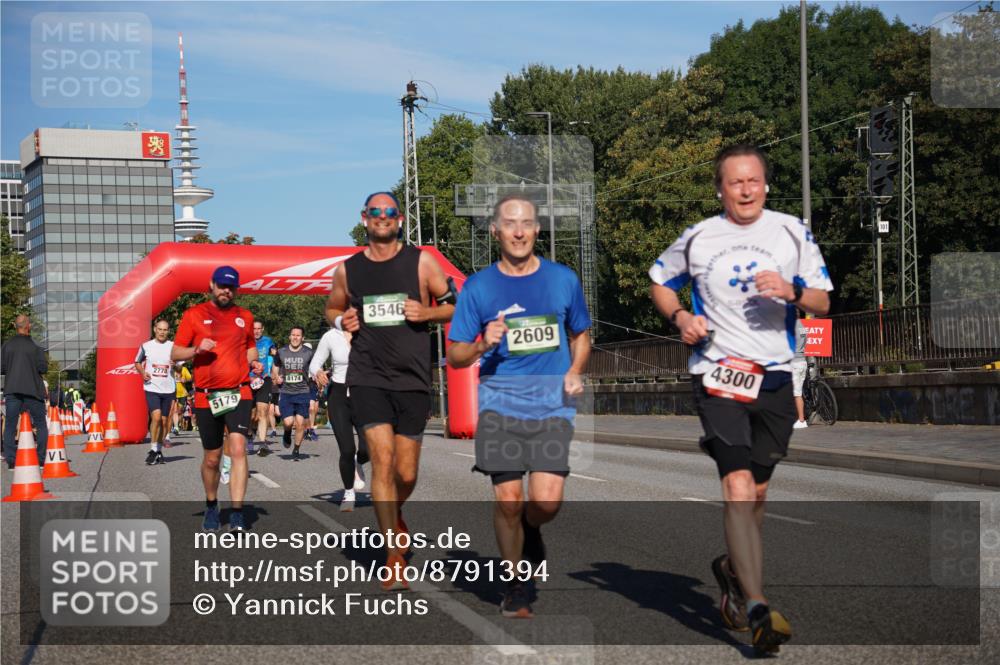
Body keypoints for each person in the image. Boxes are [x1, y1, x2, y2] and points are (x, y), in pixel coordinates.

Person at [649, 144, 833, 654]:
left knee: (757, 495)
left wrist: (792, 291)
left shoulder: (792, 231)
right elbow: (659, 282)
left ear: (765, 185)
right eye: (735, 182)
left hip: (773, 377)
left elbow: (822, 300)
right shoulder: (701, 237)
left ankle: (731, 571)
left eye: (753, 181)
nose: (746, 190)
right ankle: (756, 605)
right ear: (720, 189)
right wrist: (681, 317)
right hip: (718, 374)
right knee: (736, 486)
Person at [447, 194, 592, 618]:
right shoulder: (478, 287)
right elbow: (454, 354)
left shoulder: (563, 280)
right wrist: (480, 344)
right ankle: (514, 585)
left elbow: (581, 333)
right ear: (495, 231)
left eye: (526, 222)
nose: (518, 230)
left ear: (537, 229)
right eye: (509, 223)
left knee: (545, 503)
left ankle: (533, 528)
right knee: (508, 499)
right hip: (499, 406)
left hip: (551, 407)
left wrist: (576, 369)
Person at [325, 191, 455, 590]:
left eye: (390, 212)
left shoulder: (423, 262)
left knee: (406, 471)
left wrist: (428, 312)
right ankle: (393, 558)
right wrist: (341, 319)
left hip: (412, 379)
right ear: (364, 218)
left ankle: (394, 513)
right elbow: (331, 308)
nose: (383, 218)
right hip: (368, 377)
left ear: (400, 220)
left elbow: (454, 305)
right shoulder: (348, 270)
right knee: (381, 461)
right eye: (375, 212)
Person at [172, 265, 262, 532]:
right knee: (212, 458)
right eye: (222, 285)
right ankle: (212, 504)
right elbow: (175, 353)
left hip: (239, 391)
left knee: (237, 449)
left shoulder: (244, 316)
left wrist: (253, 363)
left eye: (231, 286)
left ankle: (236, 513)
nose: (226, 291)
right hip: (206, 396)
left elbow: (250, 349)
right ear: (211, 285)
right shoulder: (194, 315)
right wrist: (196, 349)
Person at [310, 324, 369, 511]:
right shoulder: (331, 336)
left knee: (368, 448)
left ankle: (359, 463)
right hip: (339, 395)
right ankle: (349, 492)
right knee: (347, 449)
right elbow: (314, 363)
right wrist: (317, 372)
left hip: (365, 394)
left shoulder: (370, 332)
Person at [2, 314, 48, 469]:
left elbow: (2, 368)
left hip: (12, 389)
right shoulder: (36, 345)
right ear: (28, 326)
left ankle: (11, 461)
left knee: (10, 425)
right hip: (33, 390)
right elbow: (43, 368)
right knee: (41, 424)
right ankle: (41, 459)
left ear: (16, 326)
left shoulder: (7, 345)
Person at [135, 320, 179, 465]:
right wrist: (142, 372)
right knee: (157, 416)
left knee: (165, 421)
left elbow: (180, 368)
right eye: (159, 329)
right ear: (155, 329)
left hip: (169, 388)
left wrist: (176, 366)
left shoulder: (174, 347)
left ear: (168, 331)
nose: (162, 332)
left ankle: (158, 450)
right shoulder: (146, 346)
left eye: (165, 330)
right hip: (151, 387)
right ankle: (154, 449)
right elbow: (137, 362)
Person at [272, 326, 314, 461]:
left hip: (303, 391)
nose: (295, 337)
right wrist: (276, 376)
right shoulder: (282, 352)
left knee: (300, 423)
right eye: (293, 335)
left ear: (302, 338)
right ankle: (287, 432)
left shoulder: (308, 353)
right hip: (286, 392)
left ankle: (296, 449)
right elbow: (276, 366)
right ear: (289, 337)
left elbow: (315, 367)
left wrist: (317, 379)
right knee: (289, 422)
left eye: (298, 335)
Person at [250, 320, 278, 456]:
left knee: (263, 411)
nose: (256, 331)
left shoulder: (268, 341)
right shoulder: (245, 341)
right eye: (254, 328)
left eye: (259, 329)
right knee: (251, 415)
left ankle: (262, 444)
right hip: (248, 380)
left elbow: (275, 357)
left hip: (264, 379)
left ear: (262, 329)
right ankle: (250, 433)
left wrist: (274, 373)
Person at [791, 318, 809, 429]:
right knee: (797, 391)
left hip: (795, 362)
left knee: (796, 393)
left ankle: (801, 420)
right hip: (802, 361)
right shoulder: (802, 326)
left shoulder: (791, 326)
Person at [172, 364, 192, 435]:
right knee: (174, 410)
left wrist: (185, 380)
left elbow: (190, 378)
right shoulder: (171, 368)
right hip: (173, 392)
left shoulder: (184, 369)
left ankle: (177, 425)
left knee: (180, 411)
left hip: (182, 393)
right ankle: (176, 427)